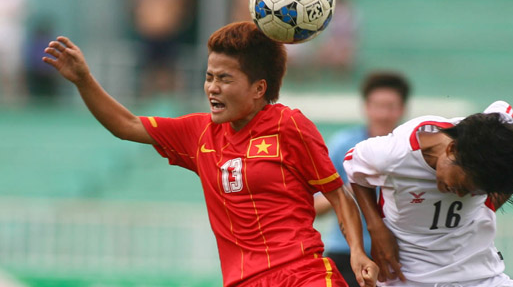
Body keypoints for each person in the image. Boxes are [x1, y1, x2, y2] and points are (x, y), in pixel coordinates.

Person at [42, 21, 378, 287]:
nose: (212, 88)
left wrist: (357, 253)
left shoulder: (289, 125)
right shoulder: (198, 133)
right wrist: (84, 80)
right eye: (209, 77)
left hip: (303, 275)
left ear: (259, 88)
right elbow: (126, 125)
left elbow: (338, 195)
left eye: (224, 79)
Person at [344, 100, 513, 287]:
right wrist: (375, 227)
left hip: (482, 276)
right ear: (452, 148)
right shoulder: (392, 155)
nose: (461, 194)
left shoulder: (487, 143)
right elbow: (354, 167)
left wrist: (487, 206)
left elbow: (504, 110)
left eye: (474, 193)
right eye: (463, 185)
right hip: (409, 277)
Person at [315, 72, 411, 287]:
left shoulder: (413, 149)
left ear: (403, 109)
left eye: (390, 106)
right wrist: (351, 188)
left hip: (400, 255)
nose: (383, 114)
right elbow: (314, 207)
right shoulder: (344, 145)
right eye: (378, 105)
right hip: (346, 253)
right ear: (366, 107)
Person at [127, 0, 194, 98]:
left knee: (170, 69)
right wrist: (141, 23)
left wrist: (177, 23)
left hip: (168, 34)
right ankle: (147, 99)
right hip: (149, 34)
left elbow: (187, 6)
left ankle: (171, 99)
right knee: (148, 69)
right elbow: (131, 7)